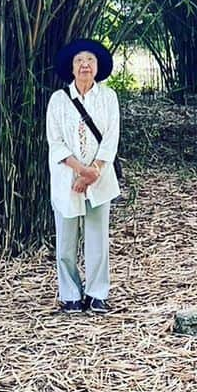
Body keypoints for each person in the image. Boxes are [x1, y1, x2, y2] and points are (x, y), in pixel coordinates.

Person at [46, 38, 121, 314]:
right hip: (67, 177)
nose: (85, 65)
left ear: (98, 66)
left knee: (97, 237)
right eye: (79, 61)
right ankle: (70, 294)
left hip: (99, 177)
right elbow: (55, 142)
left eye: (90, 60)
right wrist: (80, 170)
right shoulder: (58, 100)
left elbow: (111, 139)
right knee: (66, 238)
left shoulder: (109, 97)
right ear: (71, 67)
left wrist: (94, 172)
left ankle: (97, 293)